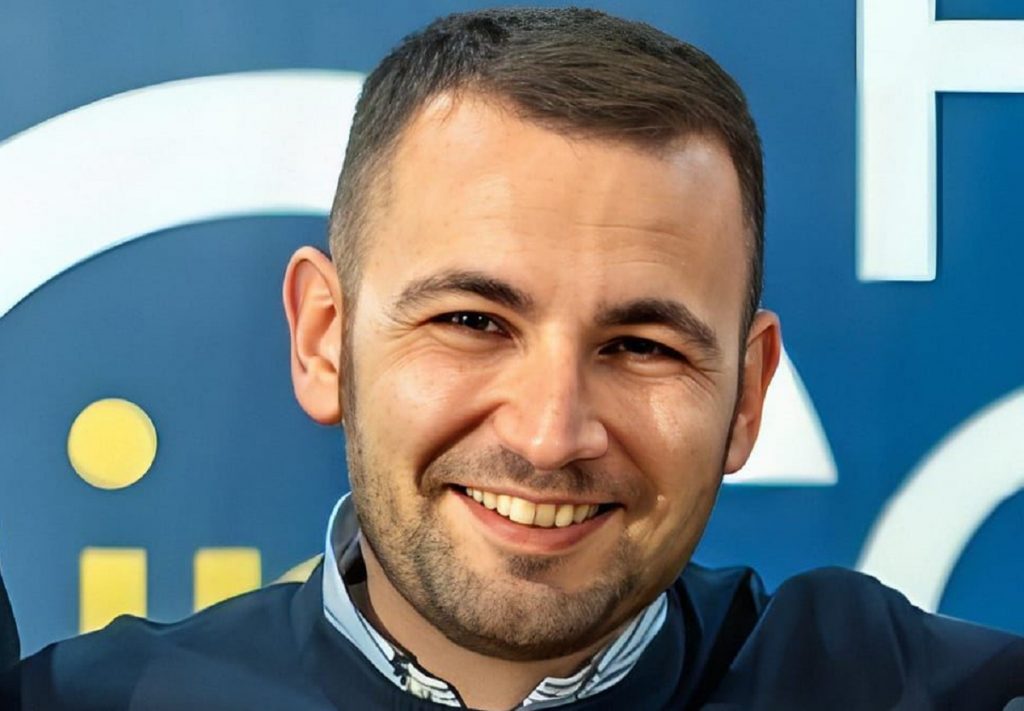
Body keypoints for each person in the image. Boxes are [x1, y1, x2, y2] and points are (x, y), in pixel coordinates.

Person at [2, 7, 1022, 710]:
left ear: (748, 395)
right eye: (472, 321)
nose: (550, 434)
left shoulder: (906, 690)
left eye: (640, 345)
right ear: (323, 338)